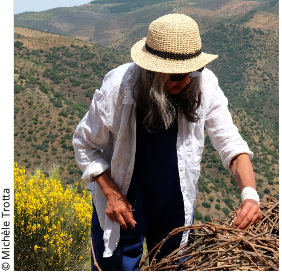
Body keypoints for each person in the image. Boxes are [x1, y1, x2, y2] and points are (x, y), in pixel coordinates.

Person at [72, 14, 262, 271]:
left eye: (193, 72)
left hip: (175, 202)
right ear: (152, 72)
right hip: (124, 203)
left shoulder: (204, 85)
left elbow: (231, 143)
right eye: (176, 76)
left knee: (174, 266)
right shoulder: (117, 90)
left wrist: (249, 194)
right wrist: (111, 193)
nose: (186, 81)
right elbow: (84, 144)